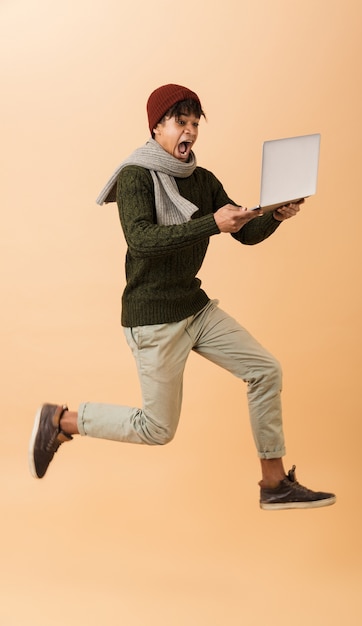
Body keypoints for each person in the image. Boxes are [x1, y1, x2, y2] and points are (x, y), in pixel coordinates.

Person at [29, 83, 336, 510]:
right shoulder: (136, 176)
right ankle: (61, 421)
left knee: (265, 370)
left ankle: (274, 483)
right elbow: (142, 240)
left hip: (195, 308)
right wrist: (212, 223)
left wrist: (276, 215)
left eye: (195, 123)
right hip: (153, 317)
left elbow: (245, 233)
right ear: (157, 127)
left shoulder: (203, 180)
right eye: (180, 122)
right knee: (157, 428)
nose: (189, 130)